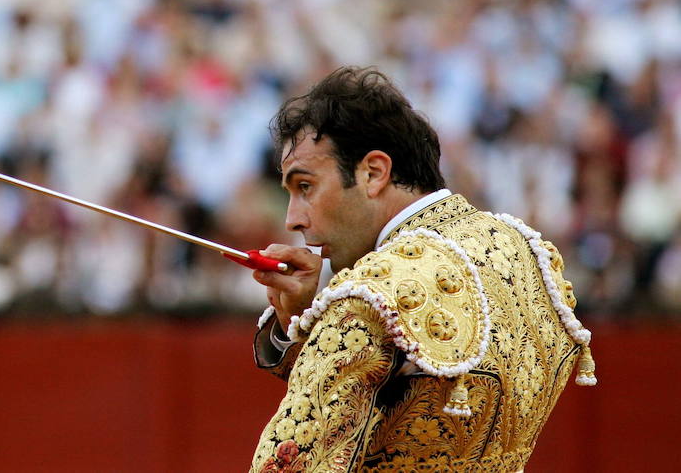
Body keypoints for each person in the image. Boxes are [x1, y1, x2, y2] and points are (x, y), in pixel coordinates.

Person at [249, 67, 595, 472]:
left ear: (374, 172)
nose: (292, 219)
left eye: (305, 186)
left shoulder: (370, 294)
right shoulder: (522, 250)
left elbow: (296, 458)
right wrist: (302, 321)